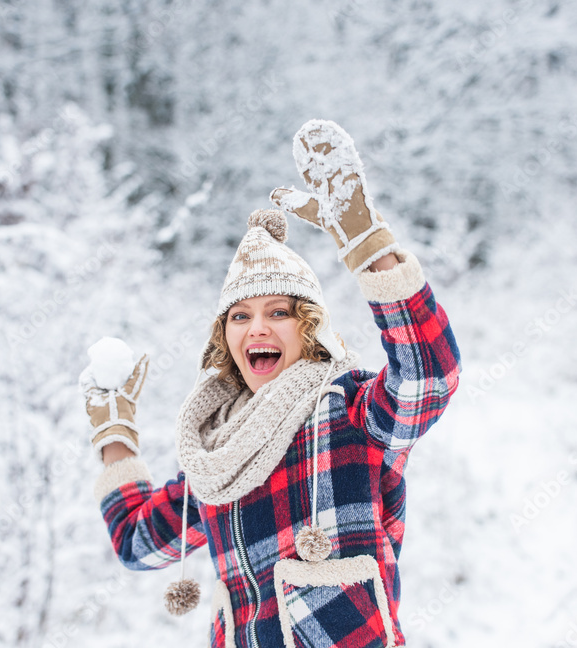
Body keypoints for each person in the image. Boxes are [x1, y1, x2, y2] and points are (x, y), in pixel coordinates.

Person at [80, 119, 461, 648]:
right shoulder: (218, 457)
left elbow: (429, 375)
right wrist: (114, 434)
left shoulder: (349, 410)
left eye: (278, 312)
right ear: (225, 339)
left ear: (308, 328)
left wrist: (369, 246)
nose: (257, 327)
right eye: (240, 317)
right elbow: (137, 542)